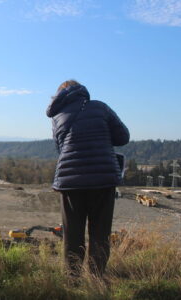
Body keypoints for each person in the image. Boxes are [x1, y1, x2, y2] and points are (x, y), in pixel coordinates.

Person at [46, 80, 129, 279]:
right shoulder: (100, 107)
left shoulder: (58, 116)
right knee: (100, 234)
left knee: (72, 235)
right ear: (82, 92)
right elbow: (123, 137)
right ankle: (96, 279)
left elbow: (61, 149)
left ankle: (73, 279)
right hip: (102, 180)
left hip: (71, 182)